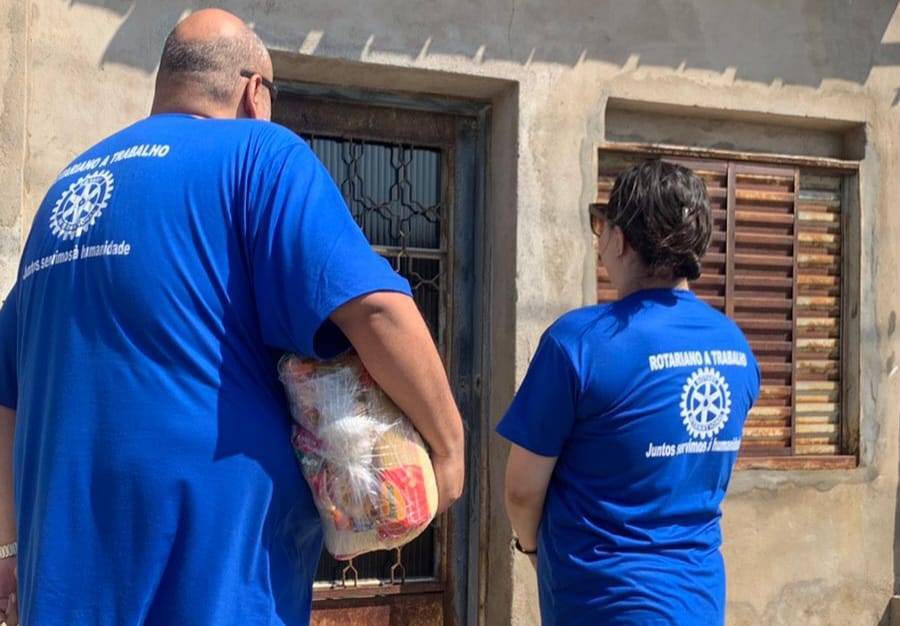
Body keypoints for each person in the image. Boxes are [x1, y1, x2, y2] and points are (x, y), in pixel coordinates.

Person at [0, 8, 464, 625]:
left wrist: (8, 548)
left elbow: (7, 400)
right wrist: (450, 448)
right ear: (253, 92)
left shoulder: (68, 189)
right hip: (213, 591)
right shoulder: (260, 154)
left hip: (61, 594)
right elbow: (376, 308)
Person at [498, 160, 760, 625]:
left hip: (602, 602)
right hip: (698, 602)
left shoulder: (579, 343)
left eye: (601, 230)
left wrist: (531, 547)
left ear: (619, 239)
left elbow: (521, 490)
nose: (599, 245)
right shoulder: (735, 348)